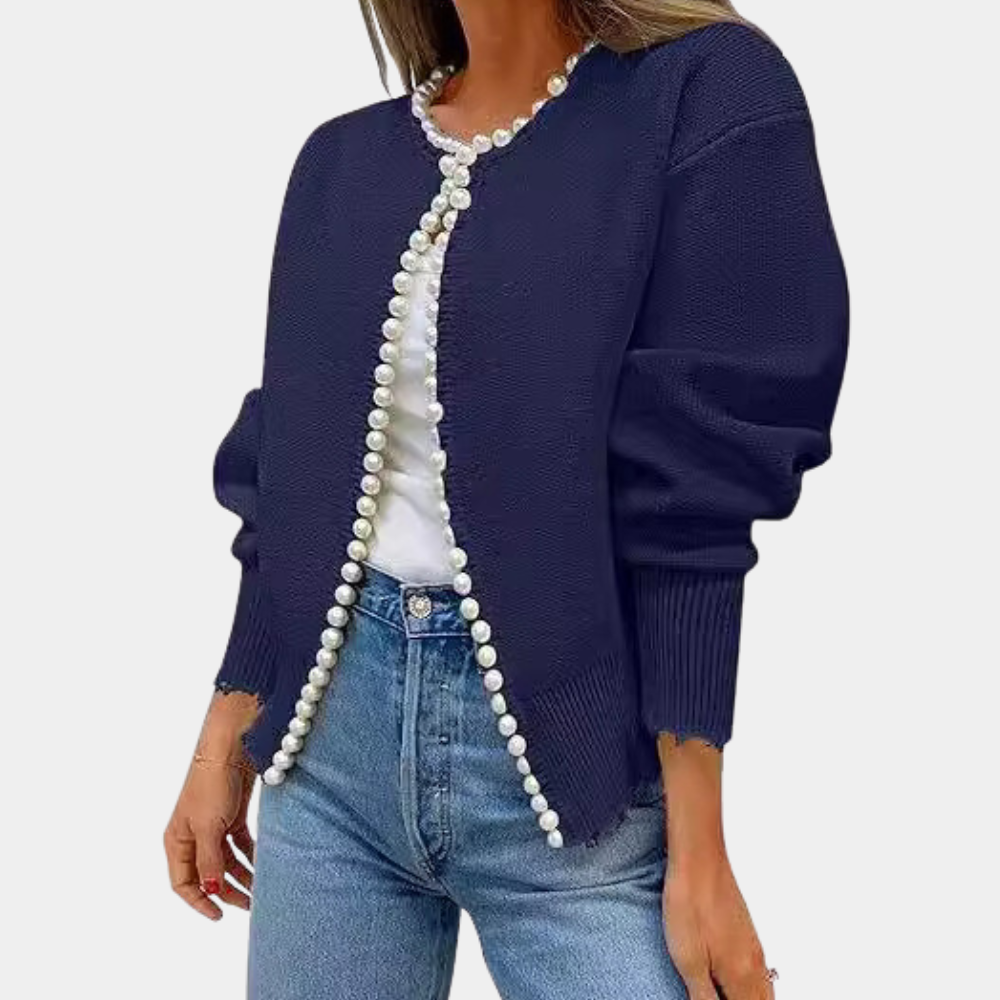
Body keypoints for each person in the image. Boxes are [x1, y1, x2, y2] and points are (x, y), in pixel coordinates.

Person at [163, 2, 849, 998]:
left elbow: (695, 489)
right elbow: (289, 480)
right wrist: (225, 731)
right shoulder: (339, 163)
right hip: (329, 768)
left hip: (578, 787)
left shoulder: (705, 92)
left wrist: (700, 850)